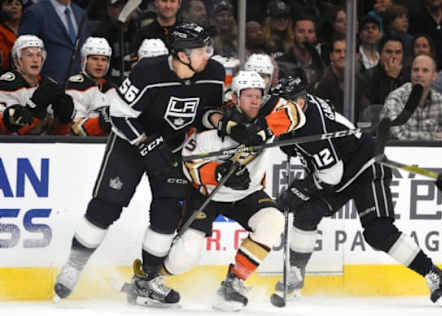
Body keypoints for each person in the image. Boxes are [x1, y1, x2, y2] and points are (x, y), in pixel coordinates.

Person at [53, 22, 225, 305]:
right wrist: (145, 143)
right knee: (106, 206)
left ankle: (147, 279)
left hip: (172, 148)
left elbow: (206, 113)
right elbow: (119, 115)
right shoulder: (148, 72)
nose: (207, 54)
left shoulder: (214, 73)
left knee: (168, 212)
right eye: (200, 49)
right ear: (181, 54)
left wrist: (221, 122)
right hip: (129, 145)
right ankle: (74, 265)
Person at [123, 70, 306, 311]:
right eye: (248, 95)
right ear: (235, 97)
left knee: (272, 220)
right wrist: (218, 173)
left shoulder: (267, 111)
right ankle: (145, 281)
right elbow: (190, 163)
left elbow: (296, 113)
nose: (254, 101)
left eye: (258, 95)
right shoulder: (212, 126)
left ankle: (233, 284)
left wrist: (262, 128)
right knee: (184, 257)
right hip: (207, 194)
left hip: (247, 193)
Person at [272, 76, 442, 308]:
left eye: (290, 103)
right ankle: (295, 275)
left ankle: (437, 278)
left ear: (301, 102)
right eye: (280, 103)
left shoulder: (312, 125)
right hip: (340, 170)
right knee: (306, 213)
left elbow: (331, 175)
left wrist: (301, 189)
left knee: (378, 231)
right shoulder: (296, 111)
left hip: (364, 167)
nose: (283, 108)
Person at [0, 34, 73, 134]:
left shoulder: (49, 85)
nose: (35, 60)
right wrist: (35, 108)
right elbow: (8, 131)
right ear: (18, 59)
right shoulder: (7, 84)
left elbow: (59, 134)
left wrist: (64, 121)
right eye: (29, 55)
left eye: (39, 55)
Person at [381, 54, 442, 140]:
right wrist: (433, 136)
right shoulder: (396, 98)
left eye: (425, 71)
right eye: (416, 70)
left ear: (434, 76)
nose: (419, 74)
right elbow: (396, 133)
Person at [18, 0, 89, 82]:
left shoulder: (80, 13)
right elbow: (23, 49)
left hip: (78, 83)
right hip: (47, 82)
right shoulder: (35, 12)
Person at [67, 37, 116, 137]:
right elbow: (75, 129)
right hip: (82, 147)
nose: (99, 64)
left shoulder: (113, 89)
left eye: (104, 60)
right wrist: (104, 119)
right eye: (94, 59)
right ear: (84, 60)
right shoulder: (74, 86)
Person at [0, 0, 23, 72]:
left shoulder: (30, 29)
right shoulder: (1, 31)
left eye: (17, 4)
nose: (14, 7)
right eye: (9, 4)